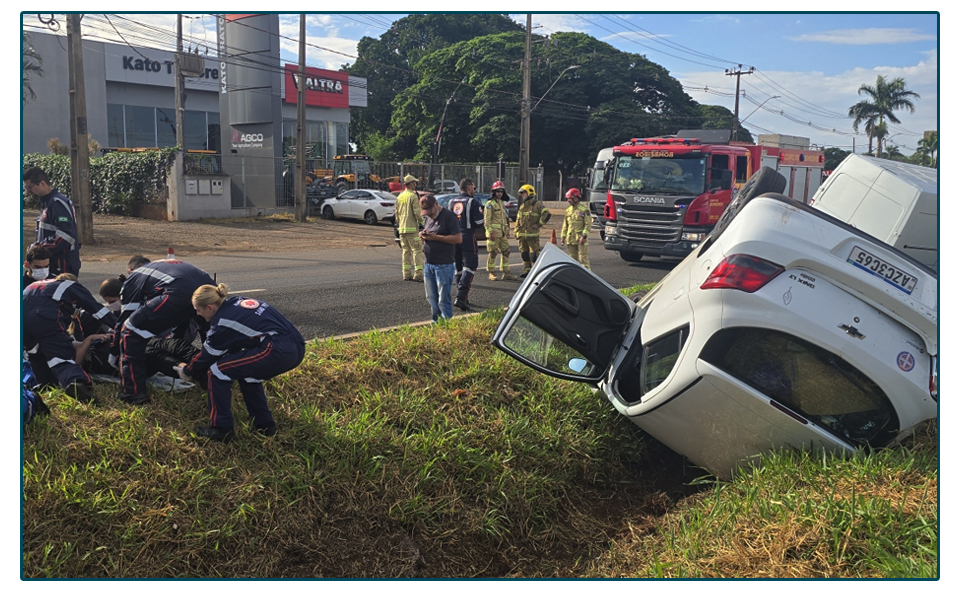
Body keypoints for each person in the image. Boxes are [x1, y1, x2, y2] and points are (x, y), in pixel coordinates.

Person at [177, 284, 305, 442]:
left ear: (210, 307)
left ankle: (221, 428)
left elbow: (208, 354)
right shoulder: (238, 301)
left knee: (216, 371)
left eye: (198, 310)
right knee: (248, 375)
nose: (197, 314)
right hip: (296, 346)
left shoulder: (222, 322)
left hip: (277, 350)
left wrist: (187, 370)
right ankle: (265, 425)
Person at [110, 256, 215, 405]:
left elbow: (125, 319)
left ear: (129, 270)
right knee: (209, 334)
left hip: (178, 293)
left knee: (129, 333)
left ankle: (133, 393)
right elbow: (181, 314)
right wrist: (176, 338)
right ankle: (214, 377)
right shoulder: (161, 266)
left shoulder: (133, 278)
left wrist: (114, 350)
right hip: (208, 291)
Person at [22, 273, 117, 404]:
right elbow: (98, 310)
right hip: (42, 314)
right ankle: (75, 382)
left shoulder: (38, 286)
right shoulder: (73, 287)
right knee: (61, 358)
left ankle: (45, 386)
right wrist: (119, 327)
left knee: (34, 353)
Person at [24, 166, 82, 277]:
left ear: (42, 183)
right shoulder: (47, 202)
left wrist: (39, 248)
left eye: (29, 187)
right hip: (52, 264)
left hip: (61, 266)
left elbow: (66, 235)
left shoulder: (56, 203)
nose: (27, 191)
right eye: (25, 187)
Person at [418, 194, 462, 322]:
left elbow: (458, 238)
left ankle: (446, 322)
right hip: (429, 264)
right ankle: (436, 321)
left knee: (443, 298)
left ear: (436, 205)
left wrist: (436, 238)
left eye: (430, 211)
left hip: (443, 264)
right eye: (426, 212)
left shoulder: (449, 216)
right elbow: (429, 231)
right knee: (431, 296)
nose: (429, 215)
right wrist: (423, 235)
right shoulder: (429, 218)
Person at [449, 178, 484, 311]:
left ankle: (463, 296)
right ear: (469, 188)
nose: (474, 191)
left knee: (458, 267)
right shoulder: (472, 202)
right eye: (474, 188)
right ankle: (461, 296)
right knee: (470, 266)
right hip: (467, 236)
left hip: (454, 237)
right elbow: (479, 222)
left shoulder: (451, 202)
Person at [513, 183, 551, 278]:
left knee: (534, 255)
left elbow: (547, 214)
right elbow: (518, 220)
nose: (522, 195)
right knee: (524, 254)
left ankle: (536, 272)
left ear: (529, 193)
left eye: (524, 193)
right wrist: (516, 232)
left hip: (532, 236)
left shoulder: (537, 204)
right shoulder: (522, 206)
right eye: (521, 193)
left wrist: (538, 224)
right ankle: (527, 271)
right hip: (522, 236)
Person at [484, 180, 517, 282]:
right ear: (494, 192)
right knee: (493, 253)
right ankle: (492, 273)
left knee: (506, 251)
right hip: (494, 233)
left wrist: (507, 230)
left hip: (502, 233)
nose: (500, 193)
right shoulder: (490, 204)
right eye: (498, 191)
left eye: (501, 191)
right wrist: (490, 232)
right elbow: (487, 220)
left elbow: (504, 219)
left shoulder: (501, 203)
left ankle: (506, 273)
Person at [395, 174, 424, 282]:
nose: (415, 184)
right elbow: (417, 212)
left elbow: (397, 213)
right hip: (412, 229)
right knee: (417, 250)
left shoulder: (400, 196)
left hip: (402, 229)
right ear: (411, 184)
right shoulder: (413, 196)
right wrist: (424, 223)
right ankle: (418, 274)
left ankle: (406, 274)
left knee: (405, 251)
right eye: (415, 183)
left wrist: (401, 223)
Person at [560, 188, 592, 270]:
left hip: (580, 238)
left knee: (583, 259)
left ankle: (587, 276)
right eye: (567, 199)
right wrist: (563, 236)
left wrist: (584, 236)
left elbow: (588, 224)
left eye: (570, 198)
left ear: (576, 198)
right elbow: (565, 225)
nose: (568, 200)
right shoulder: (568, 210)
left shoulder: (584, 209)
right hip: (570, 239)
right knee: (572, 260)